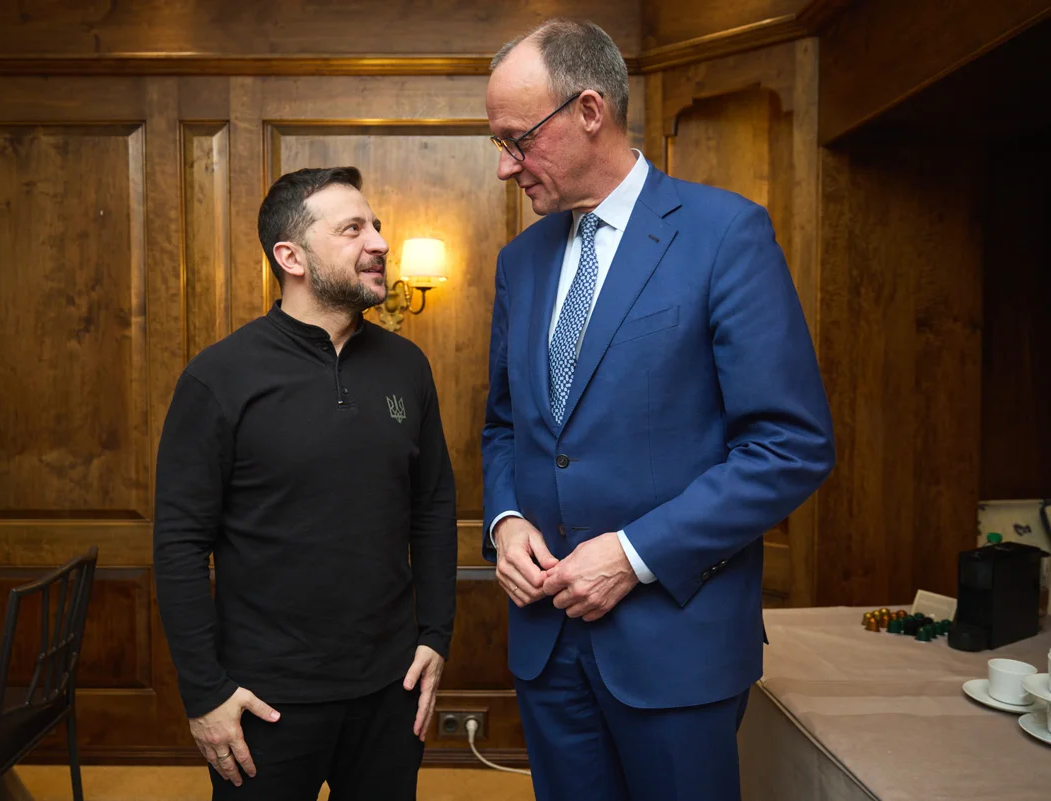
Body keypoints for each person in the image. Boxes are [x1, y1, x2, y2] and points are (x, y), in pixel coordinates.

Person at [481, 19, 836, 801]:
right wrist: (503, 521)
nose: (506, 166)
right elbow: (506, 425)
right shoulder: (520, 261)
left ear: (589, 110)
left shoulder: (724, 234)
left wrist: (634, 553)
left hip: (675, 645)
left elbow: (790, 444)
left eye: (518, 140)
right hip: (545, 645)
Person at [153, 166, 458, 801]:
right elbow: (180, 546)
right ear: (290, 257)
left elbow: (432, 507)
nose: (379, 242)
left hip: (390, 690)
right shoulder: (219, 377)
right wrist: (205, 693)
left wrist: (436, 635)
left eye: (376, 226)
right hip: (263, 700)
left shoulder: (407, 365)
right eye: (353, 229)